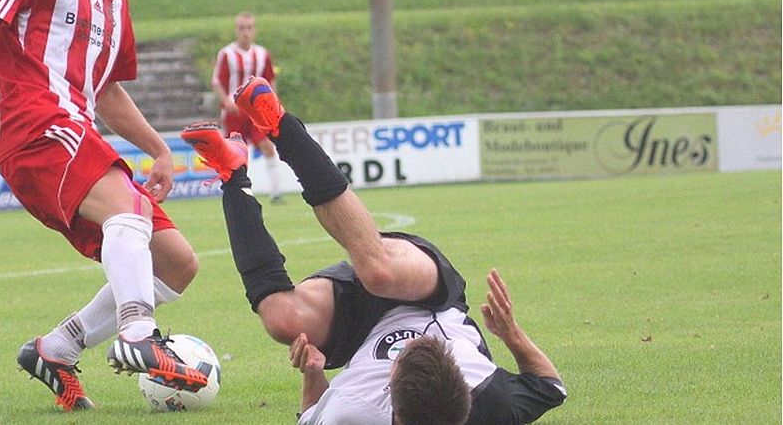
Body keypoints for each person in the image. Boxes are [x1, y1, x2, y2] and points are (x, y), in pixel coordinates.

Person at [0, 0, 208, 412]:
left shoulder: (116, 1)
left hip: (74, 131)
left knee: (178, 262)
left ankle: (56, 348)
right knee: (128, 210)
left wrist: (158, 148)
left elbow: (107, 89)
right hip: (35, 124)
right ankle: (138, 333)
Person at [182, 77, 567, 424]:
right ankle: (279, 125)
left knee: (283, 321)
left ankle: (232, 176)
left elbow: (311, 415)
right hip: (430, 295)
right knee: (378, 272)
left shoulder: (352, 412)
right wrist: (511, 334)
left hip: (361, 326)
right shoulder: (492, 403)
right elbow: (550, 387)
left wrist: (314, 372)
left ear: (392, 409)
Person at [211, 12, 285, 203]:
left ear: (254, 30)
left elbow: (270, 82)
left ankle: (276, 194)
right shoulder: (227, 54)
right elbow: (217, 82)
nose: (245, 32)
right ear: (236, 30)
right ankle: (239, 193)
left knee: (268, 146)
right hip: (234, 113)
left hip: (256, 112)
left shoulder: (262, 54)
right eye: (242, 28)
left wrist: (272, 105)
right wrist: (226, 102)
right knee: (236, 155)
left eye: (249, 28)